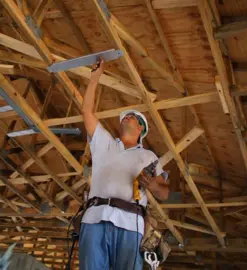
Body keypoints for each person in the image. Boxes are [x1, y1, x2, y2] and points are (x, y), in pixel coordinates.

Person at [79, 59, 170, 270]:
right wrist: (95, 78)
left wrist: (154, 186)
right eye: (124, 117)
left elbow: (164, 194)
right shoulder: (105, 143)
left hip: (131, 223)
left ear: (141, 128)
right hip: (94, 219)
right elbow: (86, 111)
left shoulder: (148, 156)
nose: (125, 118)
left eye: (131, 117)